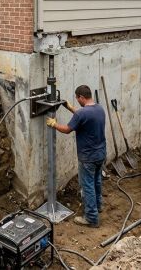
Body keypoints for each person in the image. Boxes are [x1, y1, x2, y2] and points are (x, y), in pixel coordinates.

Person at [46, 85, 106, 228]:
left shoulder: (82, 114)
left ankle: (91, 218)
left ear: (81, 97)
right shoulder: (99, 108)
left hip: (88, 157)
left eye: (77, 99)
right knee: (97, 181)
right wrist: (70, 108)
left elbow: (67, 129)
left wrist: (54, 124)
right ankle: (98, 206)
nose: (77, 101)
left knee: (88, 186)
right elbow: (84, 116)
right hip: (101, 154)